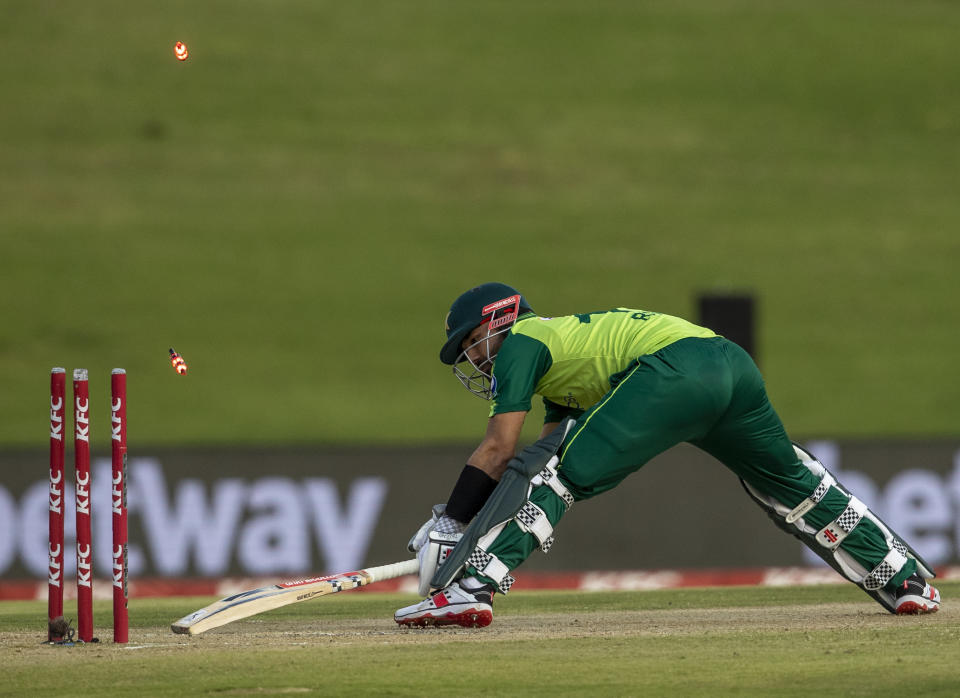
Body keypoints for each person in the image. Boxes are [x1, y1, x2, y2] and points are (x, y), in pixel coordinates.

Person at [394, 283, 941, 627]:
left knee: (560, 480)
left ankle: (471, 589)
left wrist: (453, 521)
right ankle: (902, 579)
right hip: (729, 363)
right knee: (791, 484)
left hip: (673, 371)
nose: (471, 358)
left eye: (470, 343)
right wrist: (464, 522)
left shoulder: (523, 342)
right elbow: (539, 451)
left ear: (497, 321)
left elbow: (500, 448)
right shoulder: (560, 362)